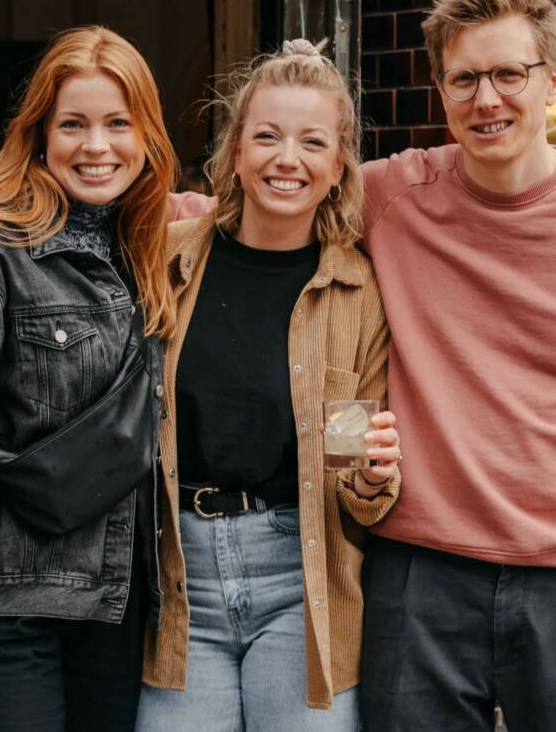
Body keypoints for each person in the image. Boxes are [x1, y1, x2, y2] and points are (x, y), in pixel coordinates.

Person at [172, 0, 556, 731]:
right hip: (419, 579)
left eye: (509, 74)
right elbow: (277, 192)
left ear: (553, 79)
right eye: (465, 78)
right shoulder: (395, 196)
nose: (487, 99)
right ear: (440, 88)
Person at [0, 25, 179, 732]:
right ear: (39, 131)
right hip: (10, 606)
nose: (96, 146)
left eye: (118, 123)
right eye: (73, 123)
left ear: (146, 136)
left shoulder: (147, 248)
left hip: (117, 606)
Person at [137, 40, 401, 732]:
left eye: (313, 141)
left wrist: (371, 480)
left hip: (301, 582)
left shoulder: (355, 293)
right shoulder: (169, 258)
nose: (289, 159)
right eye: (267, 136)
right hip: (177, 581)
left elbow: (352, 471)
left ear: (338, 164)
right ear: (234, 153)